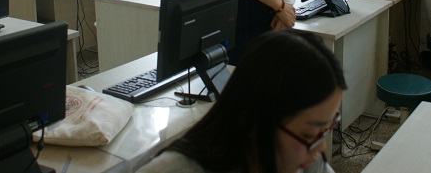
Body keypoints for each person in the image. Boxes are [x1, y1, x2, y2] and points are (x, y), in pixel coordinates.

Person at [138, 28, 347, 173]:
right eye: (309, 134)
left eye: (327, 129)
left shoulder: (305, 158)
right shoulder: (175, 170)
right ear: (255, 119)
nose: (320, 148)